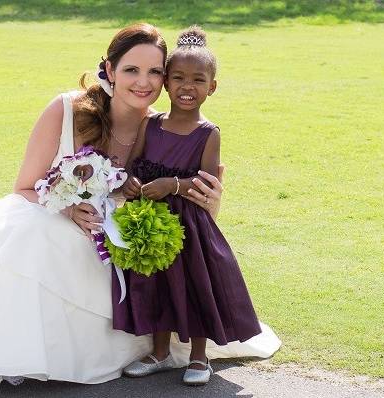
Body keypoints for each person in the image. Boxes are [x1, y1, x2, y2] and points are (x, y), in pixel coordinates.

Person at [0, 23, 278, 390]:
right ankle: (16, 348)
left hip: (120, 238)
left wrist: (209, 198)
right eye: (132, 69)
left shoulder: (163, 126)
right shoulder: (66, 109)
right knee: (33, 234)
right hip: (60, 219)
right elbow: (25, 188)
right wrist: (65, 209)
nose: (144, 82)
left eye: (155, 71)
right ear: (110, 70)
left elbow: (192, 216)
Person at [118, 26, 276, 386]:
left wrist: (172, 184)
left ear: (212, 87)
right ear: (166, 84)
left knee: (194, 286)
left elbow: (205, 180)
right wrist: (131, 181)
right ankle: (158, 353)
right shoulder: (152, 124)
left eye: (198, 80)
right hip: (153, 220)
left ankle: (199, 357)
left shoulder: (208, 132)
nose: (187, 87)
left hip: (190, 224)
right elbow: (135, 164)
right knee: (153, 283)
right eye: (178, 78)